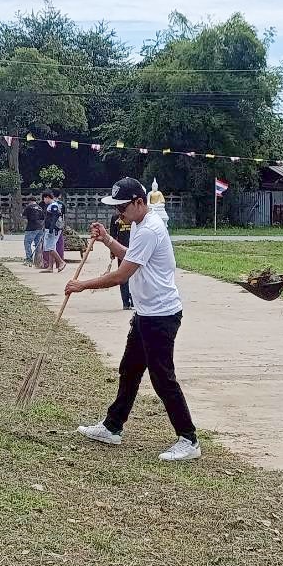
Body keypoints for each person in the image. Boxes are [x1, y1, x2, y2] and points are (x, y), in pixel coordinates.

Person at [69, 177, 201, 463]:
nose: (119, 214)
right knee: (129, 370)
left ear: (139, 203)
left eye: (122, 208)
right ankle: (112, 427)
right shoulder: (141, 224)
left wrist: (82, 285)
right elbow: (132, 257)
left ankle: (189, 439)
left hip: (161, 316)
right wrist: (107, 239)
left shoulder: (150, 229)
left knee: (162, 378)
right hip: (146, 314)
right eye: (116, 209)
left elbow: (121, 275)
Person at [108, 208, 134, 309]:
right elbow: (113, 236)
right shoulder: (115, 218)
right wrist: (112, 251)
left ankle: (134, 300)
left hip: (134, 250)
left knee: (135, 276)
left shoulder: (132, 217)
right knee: (123, 276)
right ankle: (125, 302)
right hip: (121, 252)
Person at [41, 190, 66, 273]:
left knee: (49, 247)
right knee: (51, 247)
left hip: (52, 229)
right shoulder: (51, 205)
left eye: (44, 199)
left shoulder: (53, 205)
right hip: (50, 229)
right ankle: (50, 267)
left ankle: (61, 262)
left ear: (47, 197)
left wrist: (51, 229)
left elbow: (55, 217)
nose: (44, 201)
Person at [22, 196, 45, 266]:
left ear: (30, 201)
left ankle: (29, 259)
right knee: (38, 244)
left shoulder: (28, 207)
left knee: (27, 243)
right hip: (40, 228)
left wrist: (24, 227)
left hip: (31, 228)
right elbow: (43, 219)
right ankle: (38, 260)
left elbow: (25, 218)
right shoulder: (40, 208)